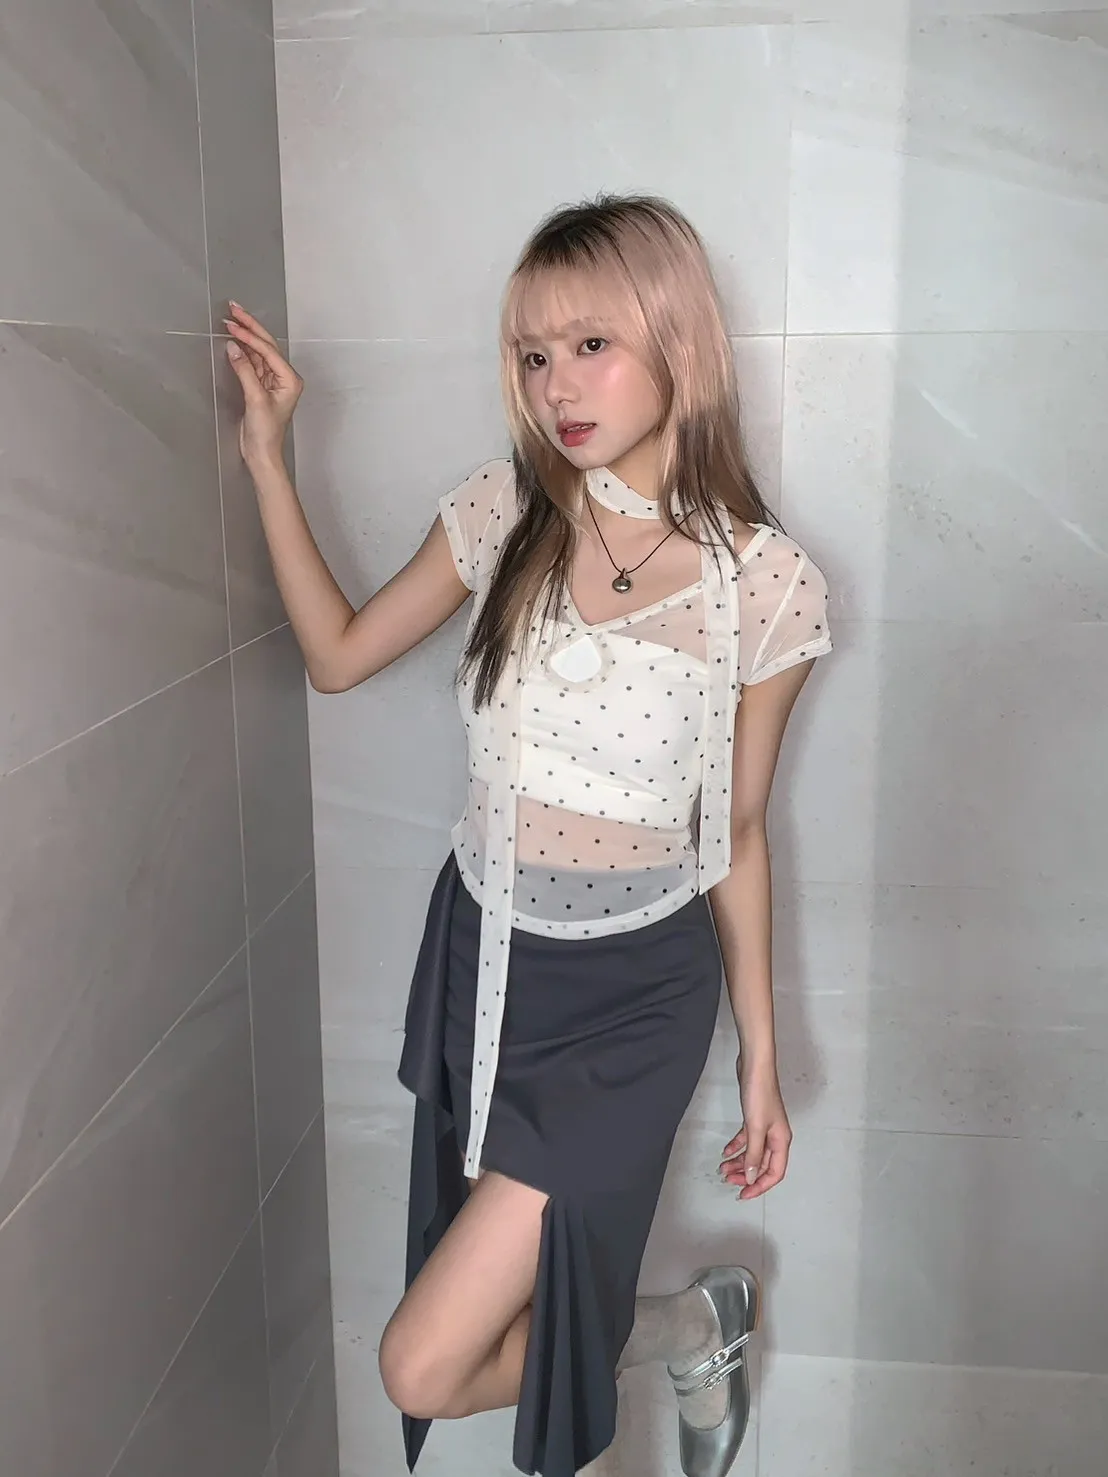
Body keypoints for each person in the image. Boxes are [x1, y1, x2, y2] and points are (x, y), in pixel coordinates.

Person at [225, 194, 832, 1477]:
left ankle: (688, 1328)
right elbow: (337, 656)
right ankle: (690, 1326)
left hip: (633, 1002)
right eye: (533, 353)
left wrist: (763, 1059)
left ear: (678, 340)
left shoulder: (763, 584)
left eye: (590, 344)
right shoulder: (506, 512)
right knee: (476, 1322)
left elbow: (736, 830)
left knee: (421, 1361)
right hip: (485, 960)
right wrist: (270, 458)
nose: (557, 383)